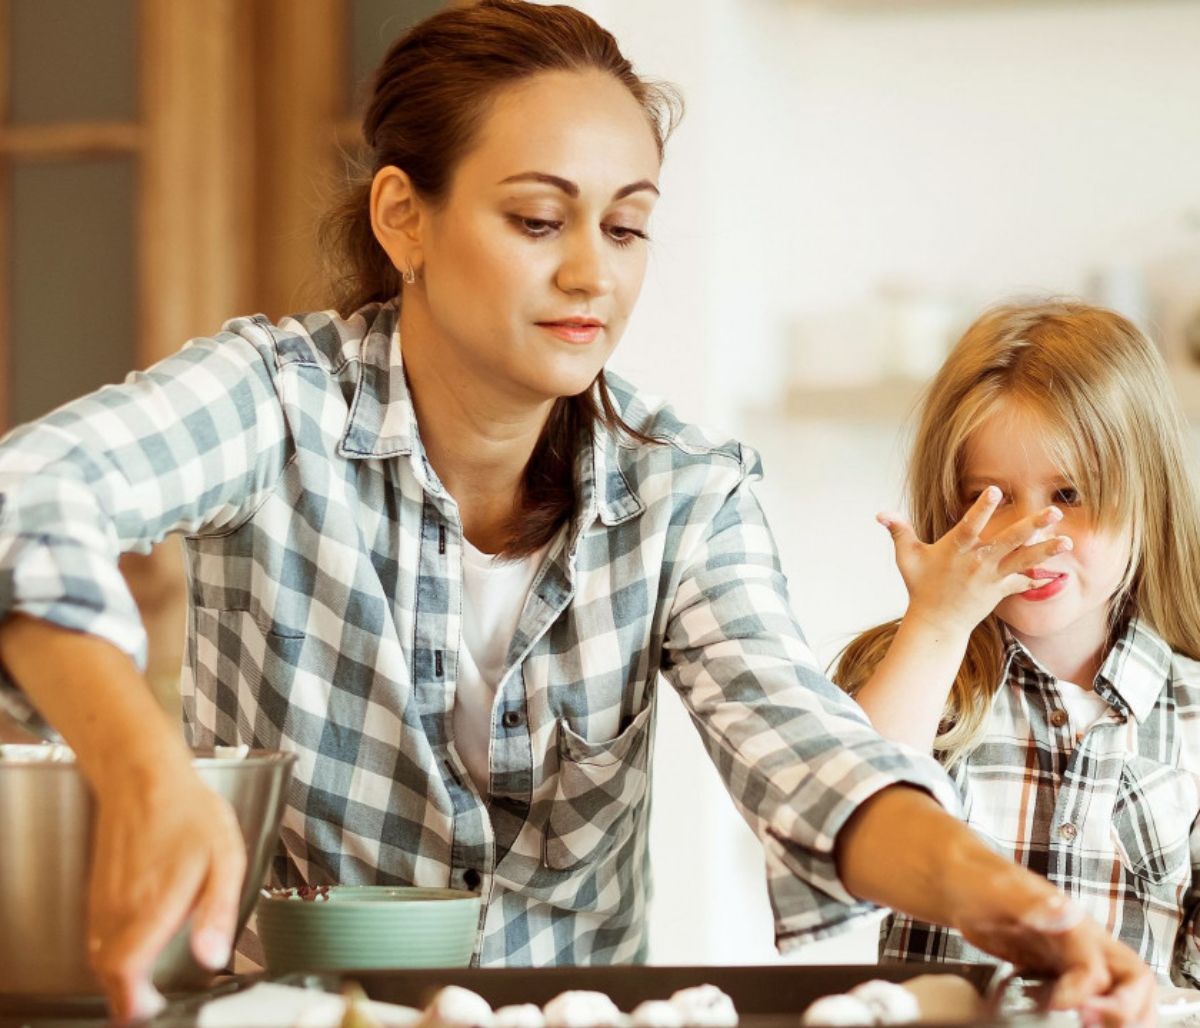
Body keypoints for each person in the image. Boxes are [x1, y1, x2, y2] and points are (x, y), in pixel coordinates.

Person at [0, 4, 1152, 1024]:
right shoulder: (271, 400)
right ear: (404, 216)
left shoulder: (684, 489)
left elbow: (805, 749)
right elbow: (27, 496)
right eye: (541, 221)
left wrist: (1009, 902)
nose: (593, 276)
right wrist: (146, 767)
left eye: (627, 225)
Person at [836, 300, 1200, 991]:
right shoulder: (914, 673)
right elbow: (843, 810)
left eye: (1071, 492)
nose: (1035, 535)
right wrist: (937, 625)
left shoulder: (1191, 711)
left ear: (1146, 497)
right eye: (992, 497)